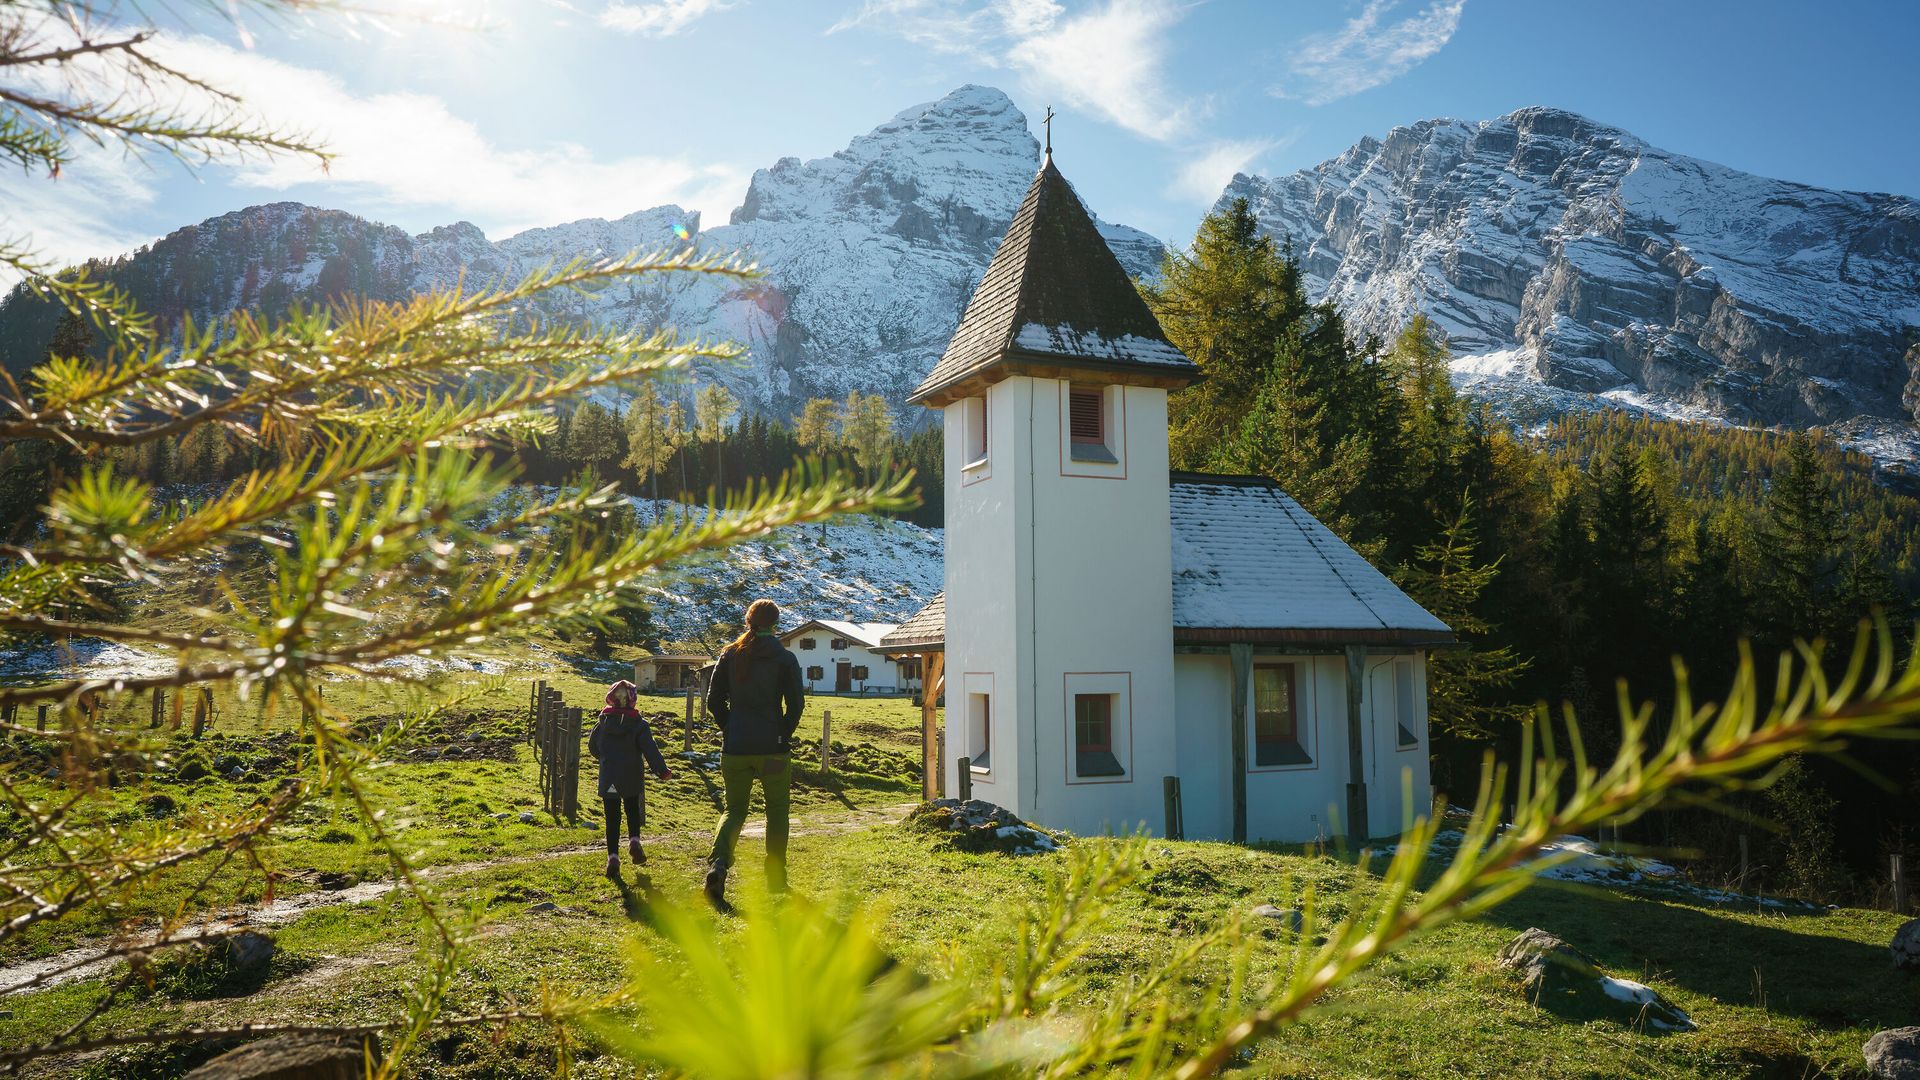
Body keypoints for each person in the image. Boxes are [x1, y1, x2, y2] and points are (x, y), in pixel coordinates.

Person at [703, 598, 804, 910]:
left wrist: (729, 727)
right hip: (772, 748)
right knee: (777, 811)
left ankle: (719, 864)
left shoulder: (729, 654)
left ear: (748, 621)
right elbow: (796, 705)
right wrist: (782, 733)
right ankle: (775, 877)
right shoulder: (785, 658)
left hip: (736, 747)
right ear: (776, 624)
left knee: (734, 810)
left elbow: (713, 700)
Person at [589, 680, 672, 879]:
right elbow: (650, 750)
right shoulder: (639, 724)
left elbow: (593, 747)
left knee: (612, 817)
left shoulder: (603, 723)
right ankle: (634, 841)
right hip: (631, 774)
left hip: (609, 775)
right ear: (633, 699)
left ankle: (613, 858)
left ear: (611, 698)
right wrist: (662, 771)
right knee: (632, 809)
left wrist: (605, 759)